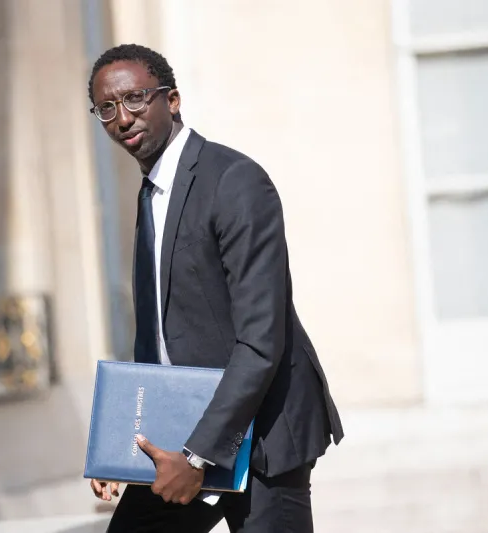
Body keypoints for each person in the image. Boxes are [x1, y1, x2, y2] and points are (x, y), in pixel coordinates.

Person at [87, 44, 344, 533]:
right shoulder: (152, 192)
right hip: (185, 431)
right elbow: (159, 334)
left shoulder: (234, 181)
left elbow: (261, 340)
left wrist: (196, 456)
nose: (122, 118)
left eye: (135, 98)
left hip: (264, 437)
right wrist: (121, 444)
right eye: (107, 108)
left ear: (172, 99)